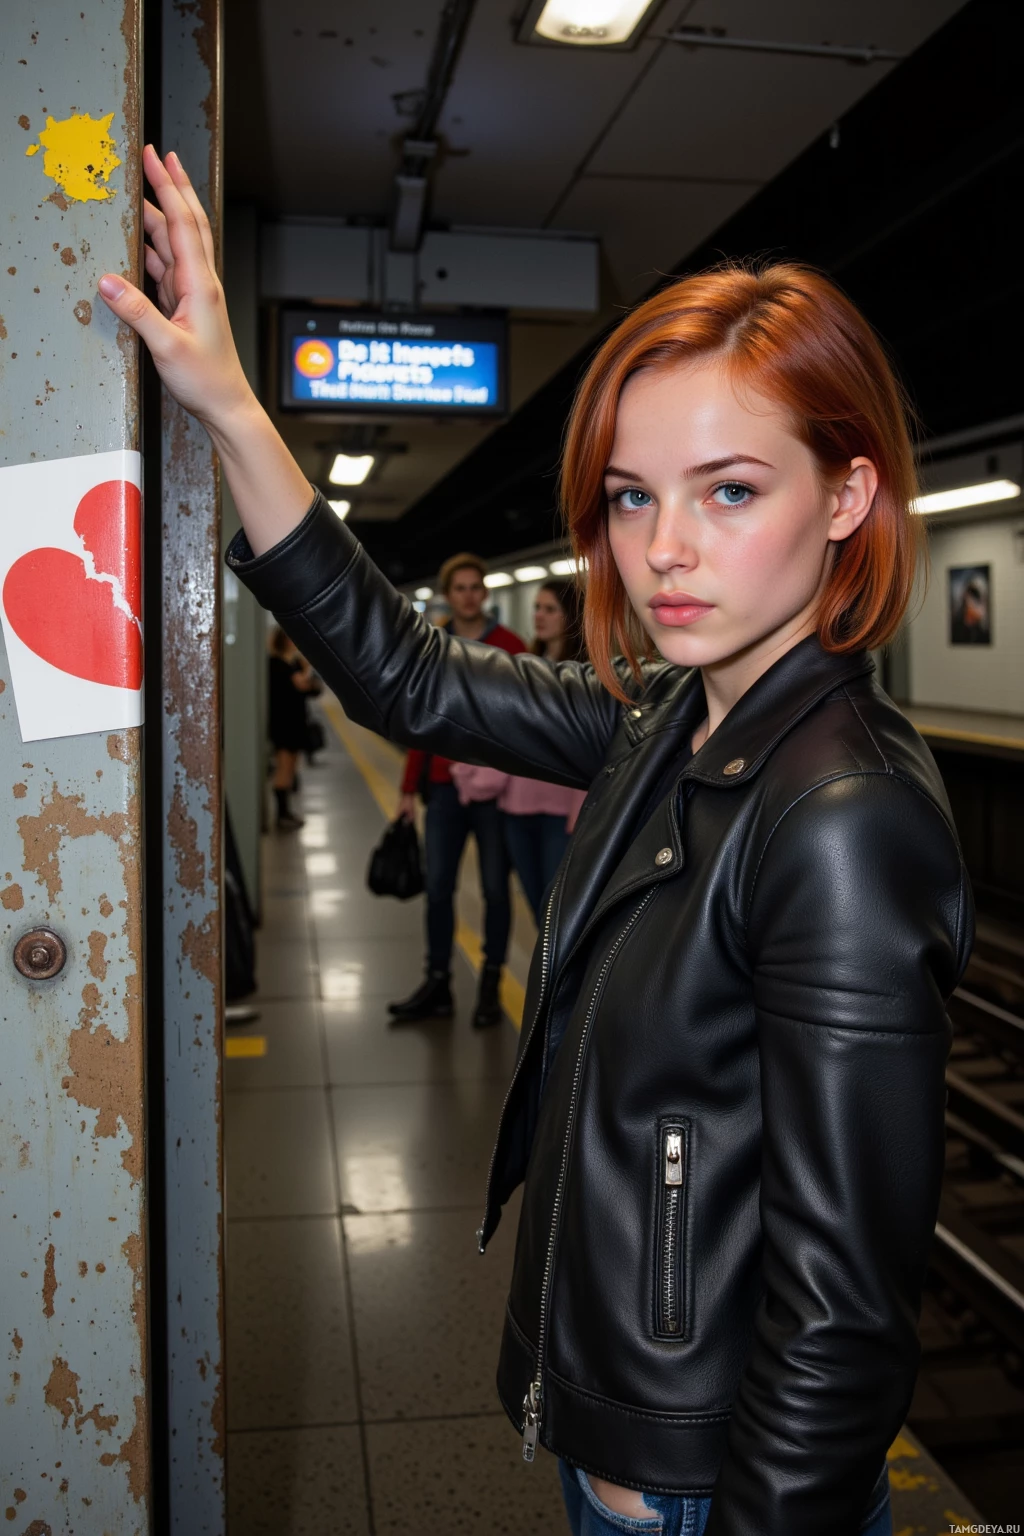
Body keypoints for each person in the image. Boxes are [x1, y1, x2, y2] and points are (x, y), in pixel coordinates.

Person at [102, 146, 974, 1536]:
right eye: (634, 496)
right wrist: (225, 400)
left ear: (850, 498)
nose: (664, 550)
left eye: (731, 491)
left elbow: (843, 1312)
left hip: (703, 1491)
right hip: (614, 1427)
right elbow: (408, 677)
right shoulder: (668, 721)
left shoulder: (843, 818)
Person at [394, 552, 527, 1028]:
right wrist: (408, 788)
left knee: (495, 887)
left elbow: (527, 720)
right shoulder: (430, 644)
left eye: (476, 587)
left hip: (494, 789)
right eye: (461, 588)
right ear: (448, 594)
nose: (469, 595)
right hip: (444, 786)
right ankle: (438, 981)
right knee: (438, 888)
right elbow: (417, 720)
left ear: (485, 593)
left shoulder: (512, 646)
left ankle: (491, 981)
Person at [497, 579, 589, 919]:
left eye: (550, 609)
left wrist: (583, 810)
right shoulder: (526, 665)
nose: (539, 615)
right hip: (517, 805)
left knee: (555, 911)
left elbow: (592, 749)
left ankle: (557, 974)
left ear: (571, 616)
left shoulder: (587, 673)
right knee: (535, 903)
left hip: (562, 813)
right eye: (537, 607)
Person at [267, 624, 318, 829]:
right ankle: (281, 814)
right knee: (284, 767)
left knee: (291, 768)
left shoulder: (293, 663)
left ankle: (286, 812)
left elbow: (312, 690)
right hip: (284, 722)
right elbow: (304, 686)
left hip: (295, 721)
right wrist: (306, 672)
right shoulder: (277, 664)